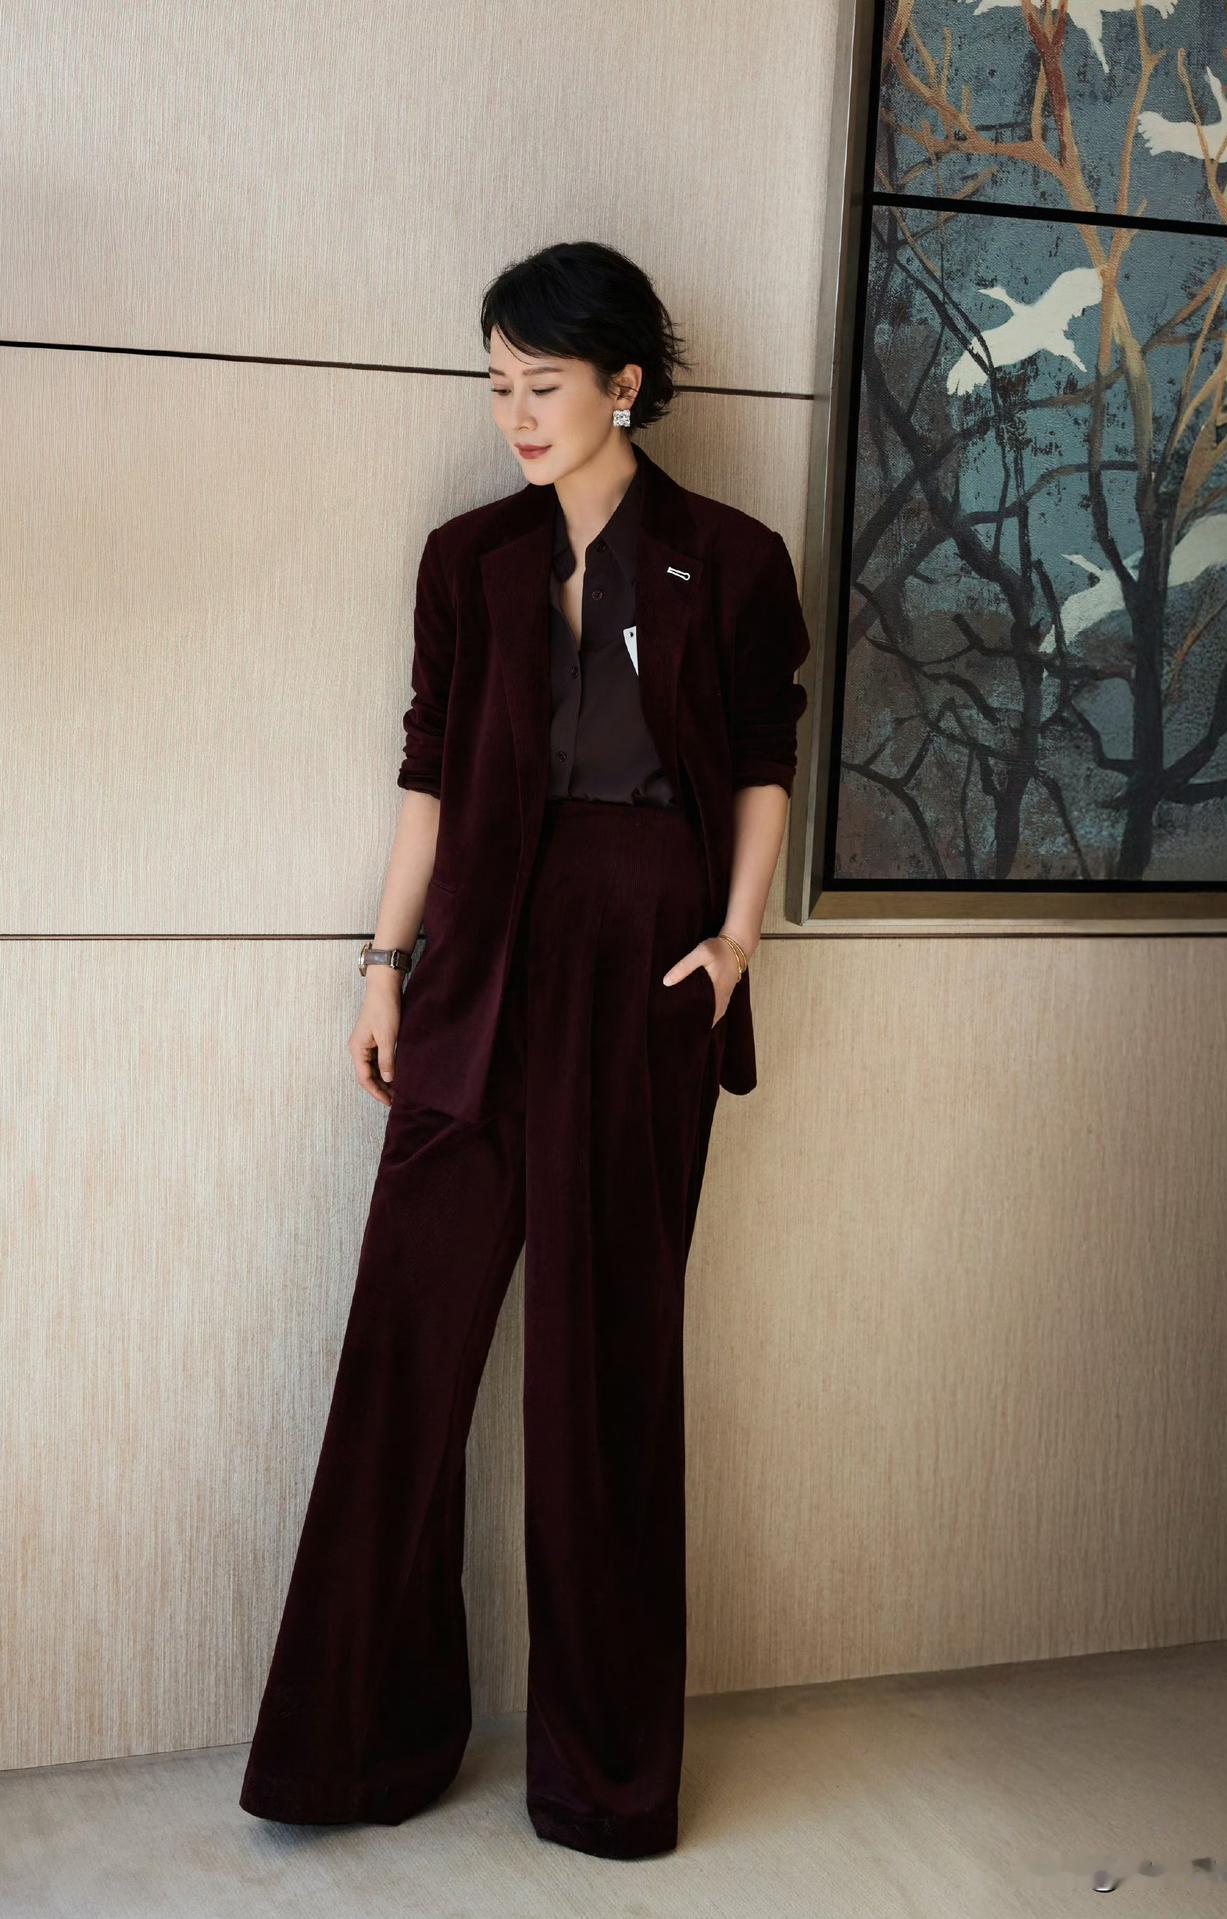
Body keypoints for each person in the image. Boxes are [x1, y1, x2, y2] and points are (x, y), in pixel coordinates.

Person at [238, 239, 810, 1860]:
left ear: (625, 383)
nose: (514, 416)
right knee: (402, 1360)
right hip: (477, 972)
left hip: (645, 976)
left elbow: (761, 762)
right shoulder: (468, 559)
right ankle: (359, 1748)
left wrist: (736, 942)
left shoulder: (732, 559)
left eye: (541, 386)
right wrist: (383, 969)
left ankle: (605, 1781)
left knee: (604, 1377)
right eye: (495, 386)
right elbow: (427, 777)